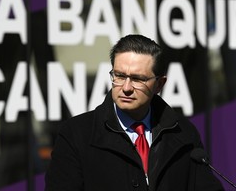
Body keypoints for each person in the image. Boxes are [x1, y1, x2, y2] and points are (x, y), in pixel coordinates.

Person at [45, 34, 224, 191]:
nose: (126, 88)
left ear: (159, 84)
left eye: (138, 79)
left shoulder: (183, 133)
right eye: (120, 76)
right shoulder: (77, 134)